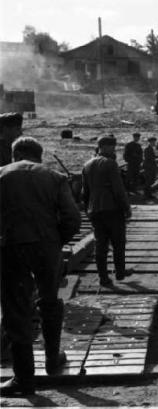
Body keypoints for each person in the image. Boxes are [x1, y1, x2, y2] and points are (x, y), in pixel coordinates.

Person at [0, 137, 81, 396]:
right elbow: (72, 218)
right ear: (39, 154)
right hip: (46, 247)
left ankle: (24, 380)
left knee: (16, 309)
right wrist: (55, 241)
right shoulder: (55, 177)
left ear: (15, 154)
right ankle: (52, 359)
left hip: (10, 247)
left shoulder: (1, 175)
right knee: (49, 300)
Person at [82, 136, 132, 287]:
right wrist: (126, 208)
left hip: (95, 210)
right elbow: (118, 190)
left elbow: (85, 192)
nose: (114, 149)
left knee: (101, 244)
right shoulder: (110, 164)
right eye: (112, 146)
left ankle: (103, 277)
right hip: (112, 209)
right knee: (118, 242)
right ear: (103, 147)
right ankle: (120, 272)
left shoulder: (87, 165)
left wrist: (88, 210)